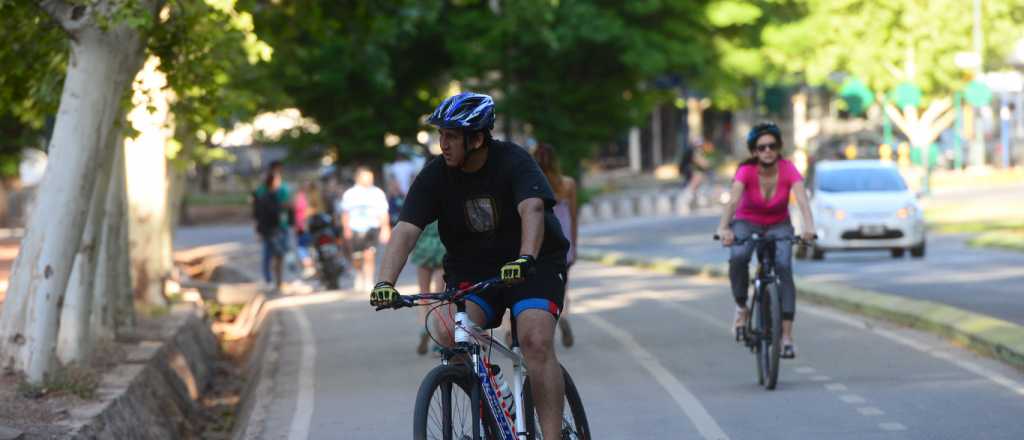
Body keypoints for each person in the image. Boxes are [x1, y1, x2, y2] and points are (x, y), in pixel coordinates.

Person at [370, 92, 570, 438]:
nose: (443, 144)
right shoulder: (436, 175)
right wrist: (384, 282)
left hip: (533, 264)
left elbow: (533, 208)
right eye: (441, 135)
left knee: (535, 340)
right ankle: (493, 397)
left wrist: (525, 257)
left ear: (476, 139)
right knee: (447, 330)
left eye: (451, 136)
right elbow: (406, 229)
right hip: (474, 270)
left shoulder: (513, 161)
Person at [716, 122, 816, 359]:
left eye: (772, 146)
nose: (767, 151)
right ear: (754, 152)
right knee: (738, 257)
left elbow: (802, 200)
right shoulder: (745, 171)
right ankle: (741, 307)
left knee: (784, 267)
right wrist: (724, 228)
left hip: (779, 224)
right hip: (747, 222)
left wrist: (809, 227)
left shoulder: (788, 169)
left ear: (779, 148)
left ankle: (786, 337)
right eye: (761, 148)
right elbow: (733, 201)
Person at [532, 142, 578, 347]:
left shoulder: (533, 184)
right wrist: (574, 245)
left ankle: (543, 324)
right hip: (563, 239)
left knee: (539, 285)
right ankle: (564, 315)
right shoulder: (568, 184)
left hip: (540, 239)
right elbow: (573, 217)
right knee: (562, 285)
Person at [339, 166, 391, 291]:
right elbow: (345, 213)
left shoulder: (377, 193)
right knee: (356, 256)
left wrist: (385, 228)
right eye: (366, 177)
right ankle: (359, 273)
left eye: (370, 178)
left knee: (369, 254)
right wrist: (346, 228)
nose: (369, 180)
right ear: (358, 178)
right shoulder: (350, 194)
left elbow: (383, 212)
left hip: (371, 226)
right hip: (355, 227)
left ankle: (368, 279)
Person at [252, 160, 293, 291]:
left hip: (278, 228)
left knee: (278, 254)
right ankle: (270, 280)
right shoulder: (263, 193)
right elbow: (260, 213)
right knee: (272, 255)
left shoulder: (280, 190)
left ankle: (277, 281)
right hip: (271, 230)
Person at [409, 220, 445, 355]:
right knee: (439, 297)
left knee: (424, 295)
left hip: (423, 248)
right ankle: (438, 339)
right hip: (441, 247)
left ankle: (423, 327)